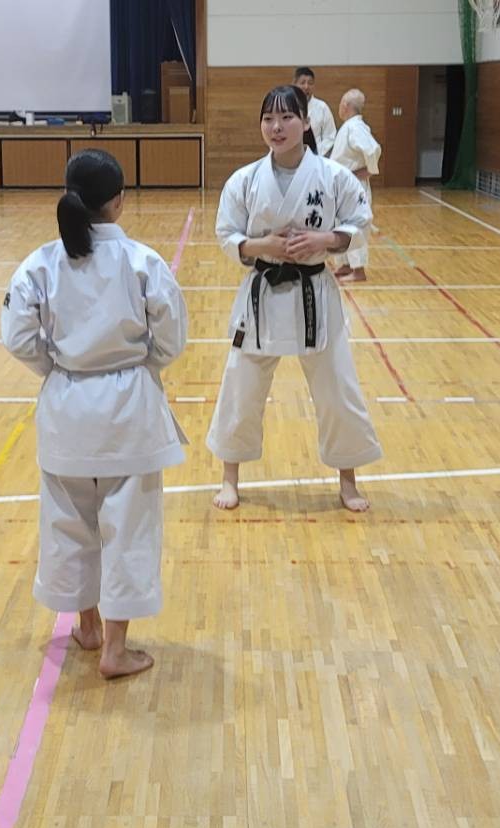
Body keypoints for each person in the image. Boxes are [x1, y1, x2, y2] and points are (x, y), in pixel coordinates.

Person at [2, 149, 187, 679]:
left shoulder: (40, 264)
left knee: (70, 524)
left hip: (66, 407)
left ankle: (86, 627)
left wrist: (60, 368)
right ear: (119, 202)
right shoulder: (142, 262)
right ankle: (115, 648)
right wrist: (138, 367)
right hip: (128, 408)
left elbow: (17, 337)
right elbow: (171, 340)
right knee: (128, 529)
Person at [208, 85, 382, 514]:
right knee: (241, 386)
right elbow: (226, 234)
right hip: (262, 293)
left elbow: (360, 223)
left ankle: (348, 480)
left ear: (306, 122)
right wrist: (262, 245)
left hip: (314, 292)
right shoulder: (245, 179)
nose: (276, 127)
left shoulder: (334, 176)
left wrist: (326, 239)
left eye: (287, 117)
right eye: (268, 118)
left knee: (337, 387)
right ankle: (229, 477)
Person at [327, 88, 381, 283]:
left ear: (346, 105)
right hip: (343, 186)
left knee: (354, 225)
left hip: (354, 186)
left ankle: (359, 270)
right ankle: (346, 264)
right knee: (340, 225)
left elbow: (373, 150)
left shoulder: (356, 127)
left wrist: (368, 170)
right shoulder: (350, 126)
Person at [293, 67, 337, 158]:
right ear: (295, 84)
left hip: (317, 156)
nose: (306, 87)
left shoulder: (322, 107)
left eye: (310, 83)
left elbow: (330, 136)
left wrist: (315, 154)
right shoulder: (287, 106)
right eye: (302, 83)